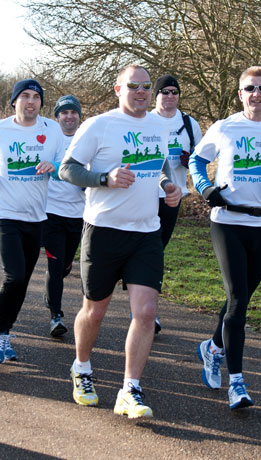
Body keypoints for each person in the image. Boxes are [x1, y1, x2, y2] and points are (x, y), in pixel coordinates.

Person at [59, 64, 181, 419]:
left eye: (146, 87)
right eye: (134, 86)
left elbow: (158, 167)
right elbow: (69, 168)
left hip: (146, 232)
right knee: (94, 310)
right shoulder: (99, 125)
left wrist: (167, 187)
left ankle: (130, 389)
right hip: (104, 230)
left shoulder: (161, 126)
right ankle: (81, 368)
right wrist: (104, 178)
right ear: (118, 89)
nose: (141, 92)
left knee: (145, 312)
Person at [189, 66, 261, 410]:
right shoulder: (224, 127)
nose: (256, 94)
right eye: (250, 88)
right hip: (227, 220)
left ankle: (212, 346)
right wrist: (206, 189)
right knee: (238, 298)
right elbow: (197, 159)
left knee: (241, 296)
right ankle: (236, 384)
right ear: (240, 94)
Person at [0, 79, 64, 363]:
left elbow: (66, 166)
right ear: (14, 101)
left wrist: (55, 167)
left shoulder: (52, 130)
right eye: (25, 96)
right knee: (14, 275)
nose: (31, 101)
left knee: (22, 281)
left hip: (36, 216)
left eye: (36, 97)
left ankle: (4, 332)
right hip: (3, 215)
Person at [149, 74, 203, 334]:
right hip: (145, 195)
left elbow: (200, 160)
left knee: (157, 251)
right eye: (165, 92)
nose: (170, 96)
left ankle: (146, 306)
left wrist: (189, 161)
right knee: (149, 252)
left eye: (174, 92)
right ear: (156, 96)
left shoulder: (189, 124)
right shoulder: (145, 121)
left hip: (173, 197)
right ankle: (147, 310)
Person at [43, 95, 84, 337]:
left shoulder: (87, 140)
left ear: (79, 116)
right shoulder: (49, 141)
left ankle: (52, 290)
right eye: (64, 113)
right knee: (55, 265)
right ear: (57, 117)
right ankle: (55, 315)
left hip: (79, 214)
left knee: (66, 266)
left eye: (73, 112)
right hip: (52, 212)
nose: (69, 117)